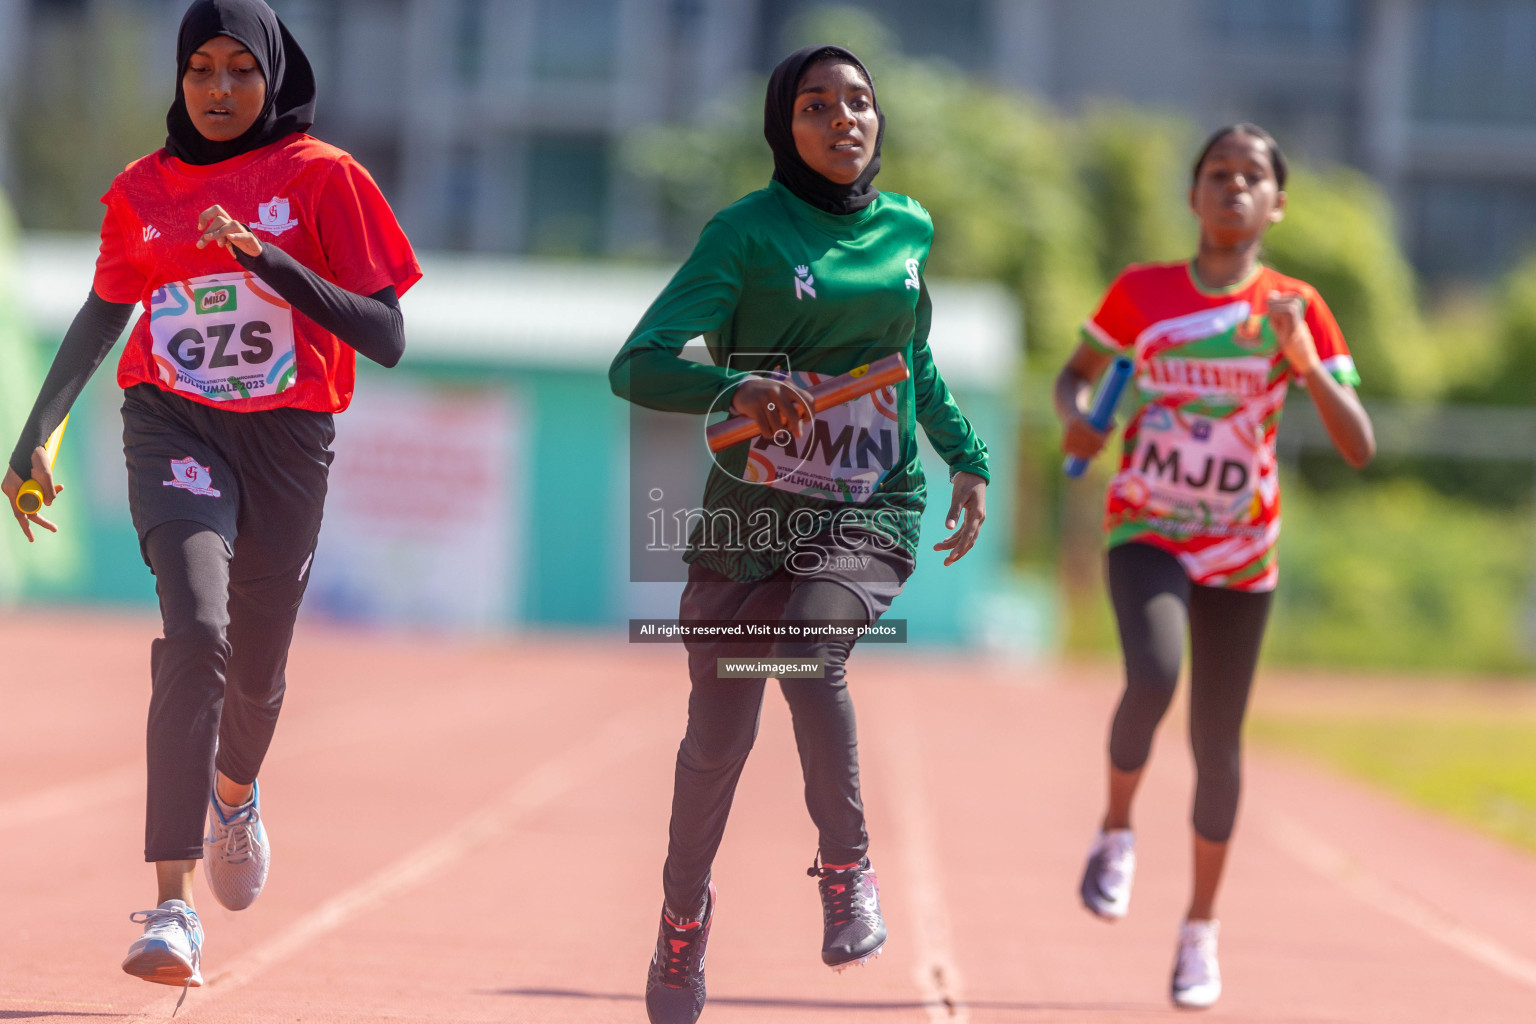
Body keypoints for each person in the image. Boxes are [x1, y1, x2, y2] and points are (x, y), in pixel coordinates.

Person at [3, 0, 419, 1001]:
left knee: (258, 671)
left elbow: (386, 333)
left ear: (272, 76)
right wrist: (36, 431)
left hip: (285, 438)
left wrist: (266, 259)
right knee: (196, 632)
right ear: (179, 78)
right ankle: (172, 903)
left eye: (240, 70)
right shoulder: (143, 191)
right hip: (171, 421)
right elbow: (107, 307)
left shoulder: (325, 178)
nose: (221, 90)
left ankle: (235, 792)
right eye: (201, 70)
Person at [610, 44, 990, 1024]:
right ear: (785, 126)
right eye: (816, 105)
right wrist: (734, 387)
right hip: (749, 527)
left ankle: (846, 863)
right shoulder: (741, 235)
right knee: (716, 743)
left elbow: (917, 357)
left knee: (811, 651)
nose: (842, 120)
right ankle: (682, 917)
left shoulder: (910, 227)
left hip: (871, 506)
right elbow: (637, 365)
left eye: (858, 102)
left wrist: (969, 457)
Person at [1055, 123, 1375, 1009]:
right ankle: (1116, 830)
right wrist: (1080, 418)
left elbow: (1360, 444)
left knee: (1216, 746)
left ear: (1277, 204)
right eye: (1218, 174)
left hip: (1241, 547)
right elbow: (1074, 378)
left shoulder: (1295, 306)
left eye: (1252, 178)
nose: (1234, 188)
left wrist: (1304, 362)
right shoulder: (1142, 294)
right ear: (1193, 195)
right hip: (1148, 526)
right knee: (1152, 677)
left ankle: (1199, 930)